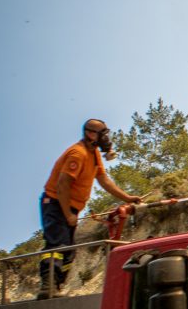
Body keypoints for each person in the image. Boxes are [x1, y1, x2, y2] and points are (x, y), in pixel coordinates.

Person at [38, 119, 142, 298]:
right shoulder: (78, 154)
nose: (107, 139)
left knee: (69, 250)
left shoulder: (93, 154)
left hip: (70, 207)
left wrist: (127, 198)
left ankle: (57, 287)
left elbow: (104, 180)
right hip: (56, 204)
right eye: (103, 134)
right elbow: (62, 185)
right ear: (92, 134)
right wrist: (67, 214)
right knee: (57, 245)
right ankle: (48, 288)